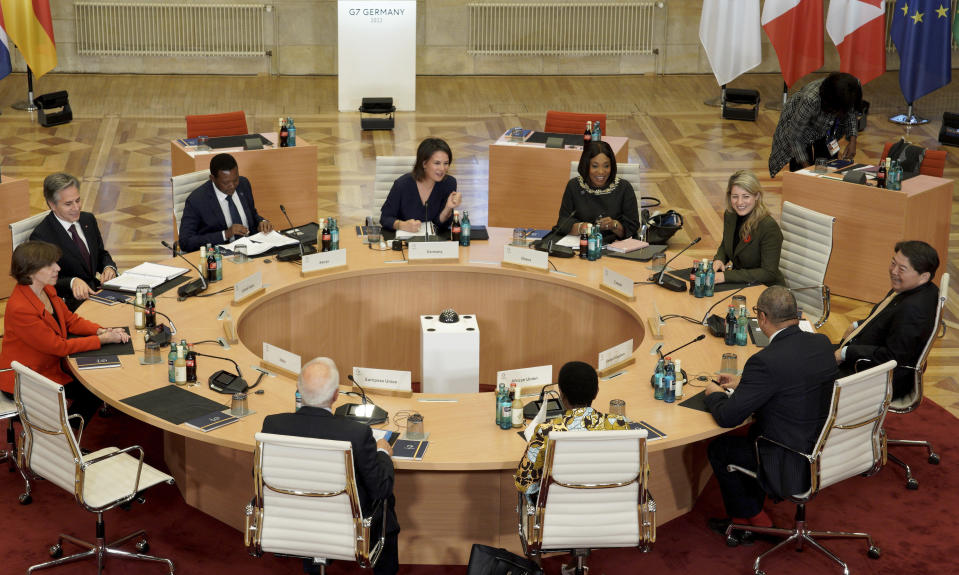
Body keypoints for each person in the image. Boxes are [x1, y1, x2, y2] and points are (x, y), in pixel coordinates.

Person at [703, 286, 837, 543]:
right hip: (825, 446)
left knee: (721, 448)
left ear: (761, 317)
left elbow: (728, 417)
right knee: (752, 435)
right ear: (795, 314)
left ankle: (749, 521)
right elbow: (793, 379)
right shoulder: (820, 343)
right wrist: (745, 384)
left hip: (790, 459)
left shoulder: (766, 361)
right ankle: (751, 517)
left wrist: (714, 393)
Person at [261, 358, 399, 575]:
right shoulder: (356, 434)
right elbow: (380, 488)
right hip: (345, 526)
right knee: (385, 502)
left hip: (292, 519)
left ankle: (312, 567)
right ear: (336, 396)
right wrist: (383, 453)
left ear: (298, 390)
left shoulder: (272, 425)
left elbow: (260, 477)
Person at [0, 241, 130, 428]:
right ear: (31, 272)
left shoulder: (46, 289)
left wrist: (100, 329)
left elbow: (70, 320)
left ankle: (64, 429)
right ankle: (62, 436)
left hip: (49, 367)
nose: (58, 268)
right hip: (29, 379)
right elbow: (58, 347)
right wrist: (102, 340)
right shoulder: (20, 308)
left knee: (96, 382)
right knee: (92, 389)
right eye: (50, 265)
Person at [836, 240, 939, 400]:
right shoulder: (917, 289)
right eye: (893, 263)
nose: (893, 271)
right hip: (867, 353)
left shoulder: (914, 310)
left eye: (902, 269)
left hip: (878, 377)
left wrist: (845, 353)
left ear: (923, 276)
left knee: (807, 371)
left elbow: (892, 357)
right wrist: (857, 325)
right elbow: (886, 320)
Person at [515, 361, 629, 495]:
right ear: (596, 392)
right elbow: (640, 473)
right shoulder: (619, 425)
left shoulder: (547, 431)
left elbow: (524, 483)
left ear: (561, 395)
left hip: (560, 510)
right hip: (610, 507)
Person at [29, 173, 118, 311]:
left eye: (78, 200)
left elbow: (101, 254)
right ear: (52, 204)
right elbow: (43, 280)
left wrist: (109, 267)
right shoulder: (42, 236)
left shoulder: (88, 219)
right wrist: (71, 282)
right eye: (68, 204)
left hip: (98, 291)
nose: (76, 208)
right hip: (70, 302)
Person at [768, 72, 862, 177]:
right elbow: (794, 137)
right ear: (832, 106)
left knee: (829, 166)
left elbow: (852, 111)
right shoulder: (810, 99)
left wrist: (853, 140)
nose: (842, 113)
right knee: (800, 172)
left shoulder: (852, 88)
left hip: (827, 131)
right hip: (801, 127)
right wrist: (807, 169)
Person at [178, 153, 273, 253]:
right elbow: (186, 242)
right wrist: (225, 234)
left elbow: (252, 214)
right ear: (212, 179)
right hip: (220, 256)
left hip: (252, 249)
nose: (232, 186)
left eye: (235, 180)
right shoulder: (196, 200)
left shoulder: (243, 184)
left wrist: (261, 222)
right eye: (226, 183)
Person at [555, 140, 639, 243]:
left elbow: (632, 229)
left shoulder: (624, 188)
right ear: (586, 165)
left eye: (606, 166)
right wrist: (582, 227)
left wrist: (614, 225)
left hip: (615, 248)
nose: (601, 172)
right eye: (595, 166)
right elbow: (563, 223)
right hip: (581, 246)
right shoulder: (574, 186)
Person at [711, 170, 784, 286]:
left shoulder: (768, 226)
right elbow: (726, 244)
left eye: (746, 196)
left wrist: (726, 276)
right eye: (735, 196)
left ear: (757, 196)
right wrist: (719, 259)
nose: (739, 202)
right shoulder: (730, 215)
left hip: (766, 290)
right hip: (740, 283)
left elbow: (769, 273)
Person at [379, 138, 461, 234]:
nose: (442, 168)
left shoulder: (449, 183)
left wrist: (448, 208)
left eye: (446, 163)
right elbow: (385, 218)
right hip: (405, 243)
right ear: (424, 163)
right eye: (437, 163)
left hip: (433, 244)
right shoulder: (402, 185)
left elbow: (441, 225)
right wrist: (401, 225)